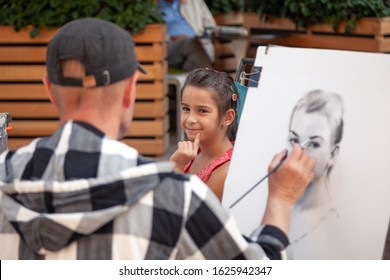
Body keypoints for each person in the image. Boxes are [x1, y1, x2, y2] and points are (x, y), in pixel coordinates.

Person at [0, 17, 315, 260]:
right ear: (129, 91)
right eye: (186, 108)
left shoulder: (4, 174)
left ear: (48, 89)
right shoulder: (174, 196)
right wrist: (281, 199)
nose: (191, 118)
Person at [286, 89, 344, 252]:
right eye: (294, 140)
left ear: (333, 155)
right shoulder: (288, 208)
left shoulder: (334, 220)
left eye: (313, 144)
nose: (298, 152)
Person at [170, 69, 238, 201]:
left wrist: (176, 166)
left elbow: (184, 215)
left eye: (202, 111)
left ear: (227, 117)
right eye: (186, 109)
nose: (190, 119)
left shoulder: (225, 172)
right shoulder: (192, 154)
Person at [158, 0, 215, 71]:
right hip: (169, 46)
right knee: (191, 43)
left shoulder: (194, 2)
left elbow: (210, 24)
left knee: (193, 53)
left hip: (198, 42)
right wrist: (171, 38)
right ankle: (210, 76)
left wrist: (202, 35)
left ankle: (201, 75)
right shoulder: (154, 6)